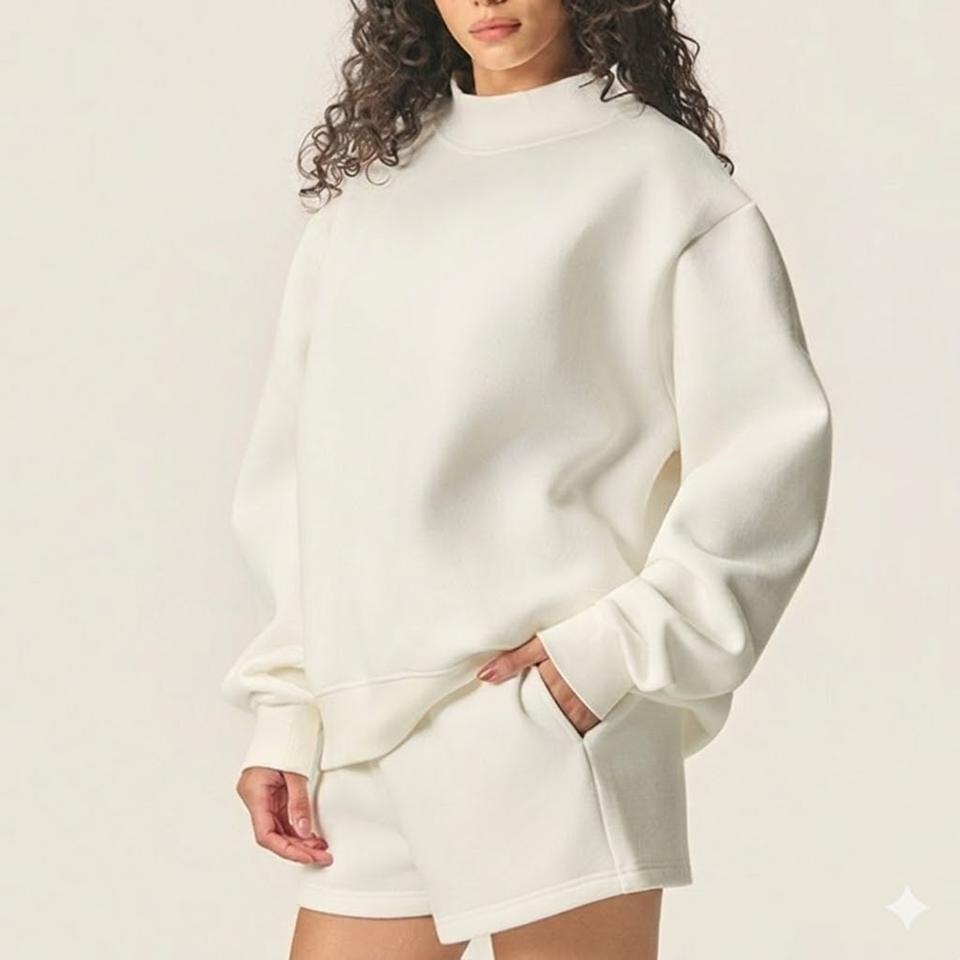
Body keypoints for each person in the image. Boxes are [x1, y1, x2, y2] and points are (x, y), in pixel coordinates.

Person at [220, 1, 834, 957]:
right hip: (365, 735)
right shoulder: (371, 197)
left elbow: (765, 457)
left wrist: (614, 654)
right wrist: (288, 713)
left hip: (542, 719)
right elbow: (305, 472)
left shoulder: (661, 181)